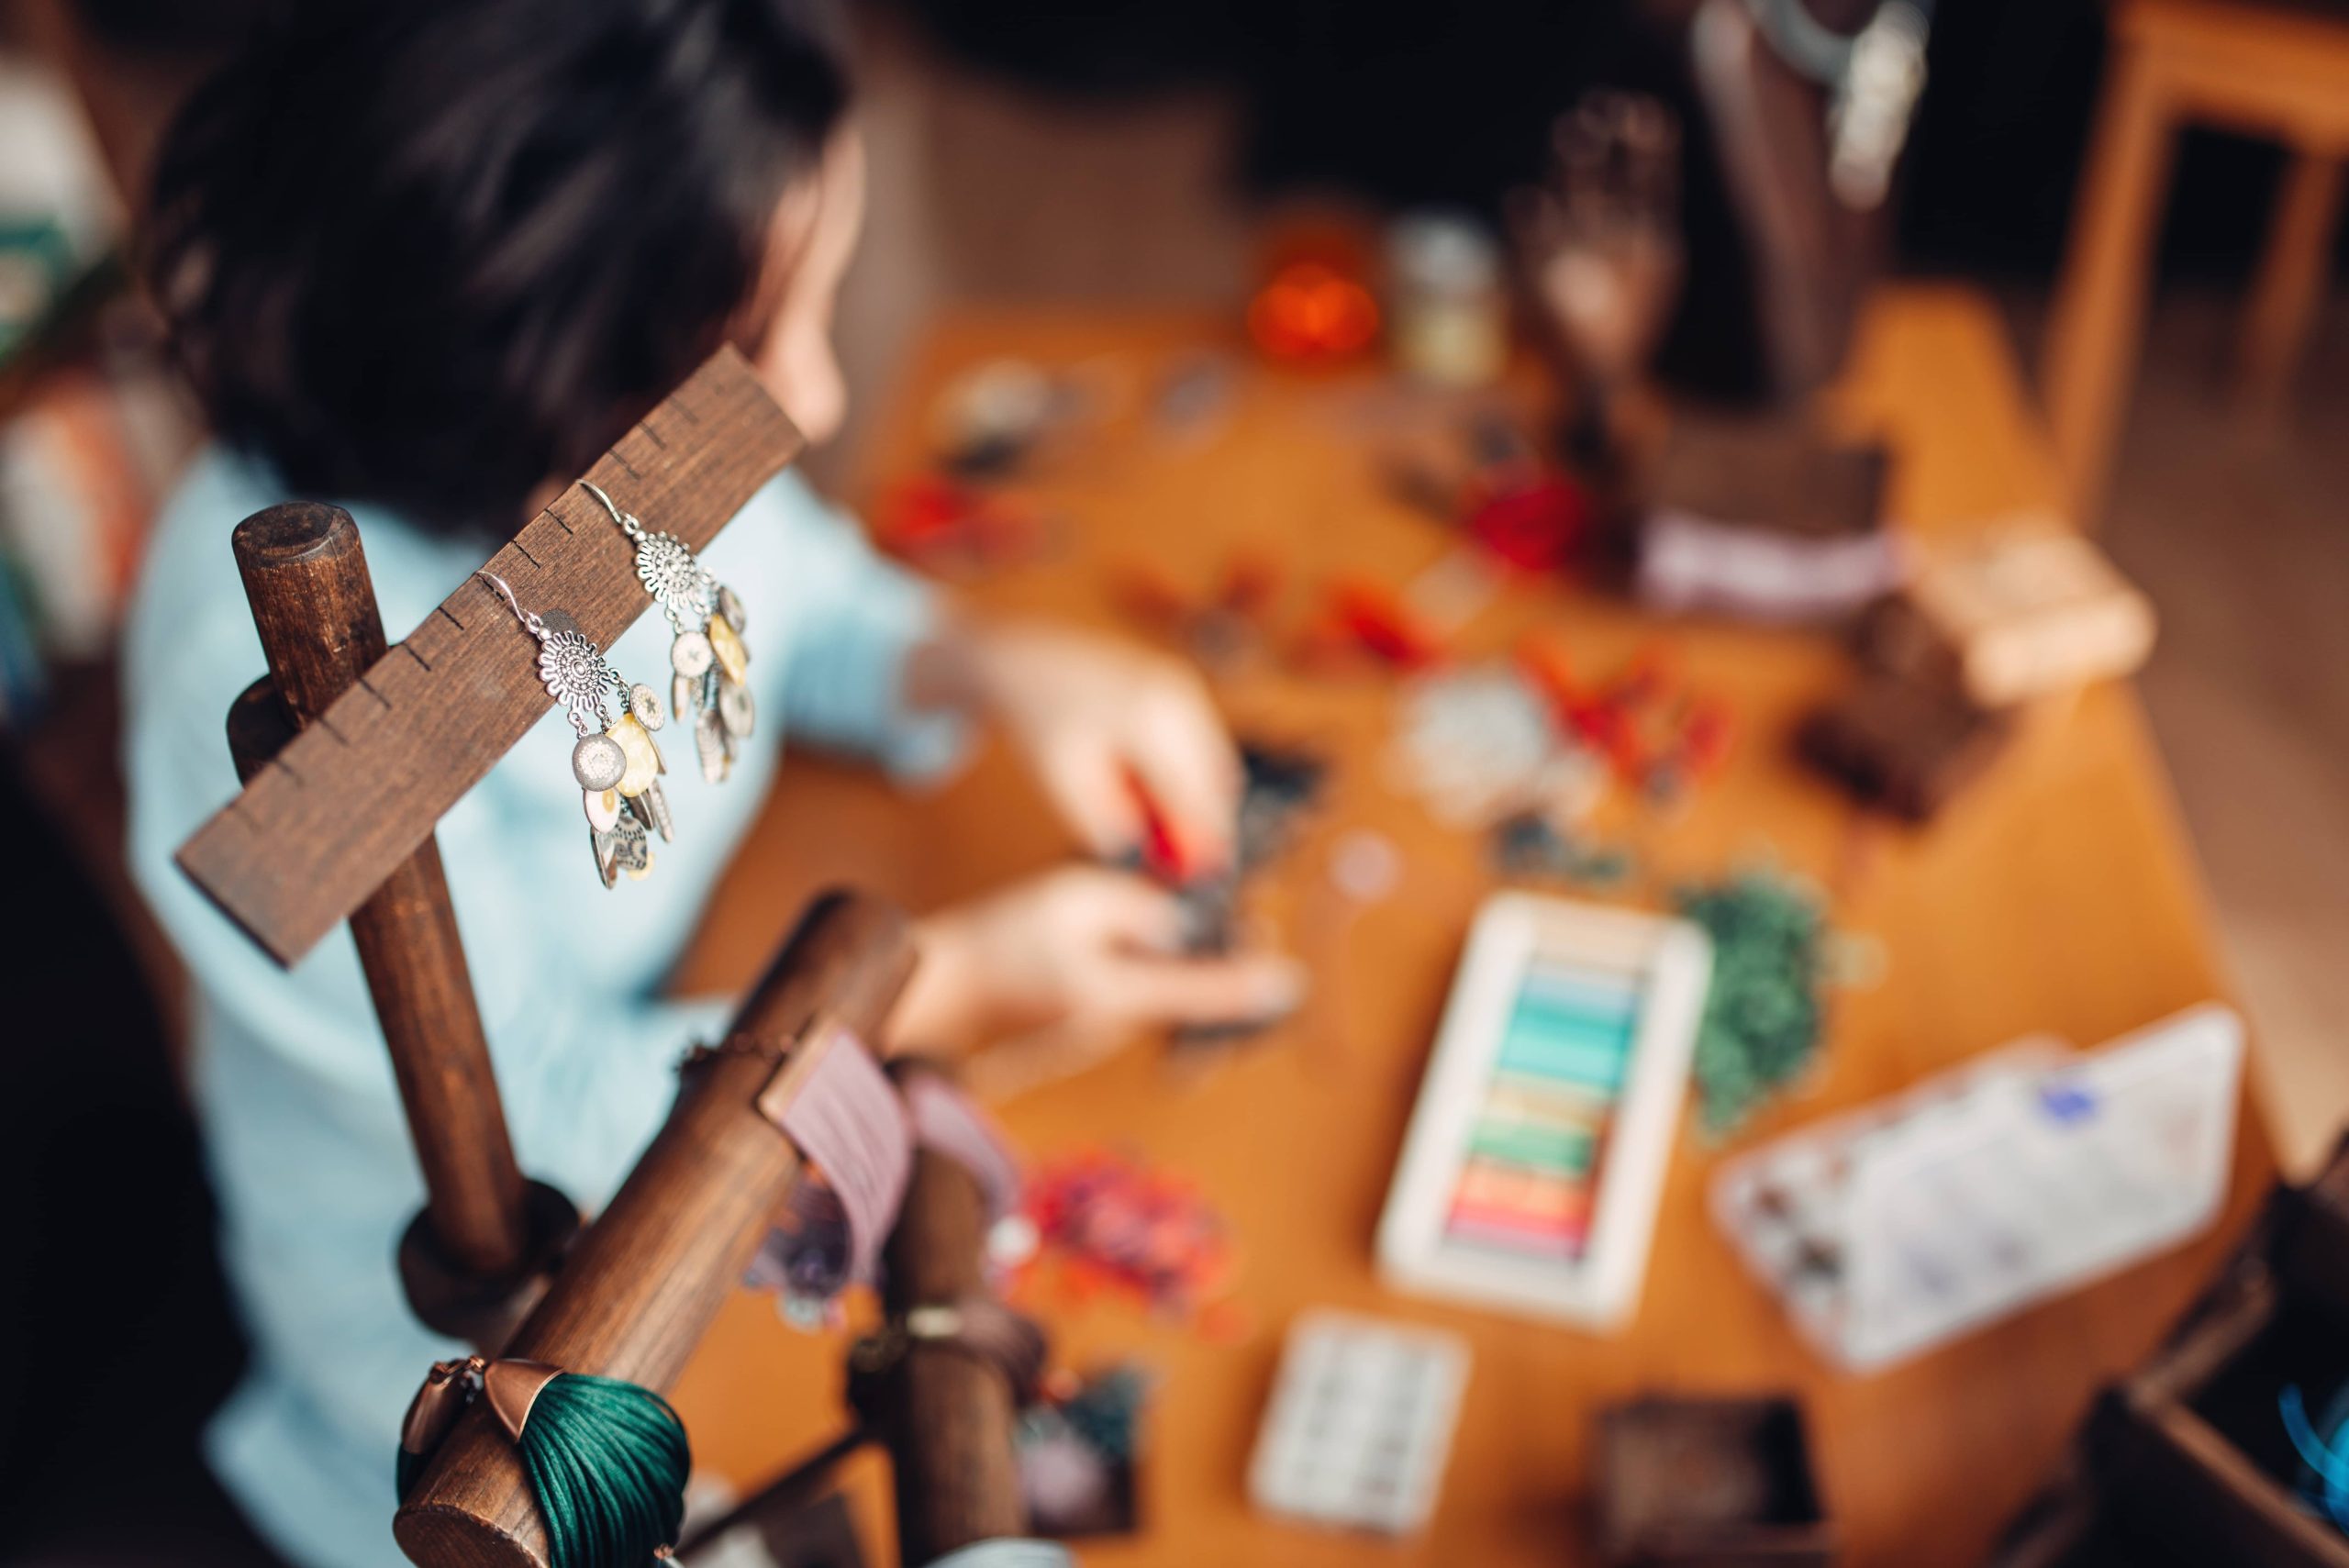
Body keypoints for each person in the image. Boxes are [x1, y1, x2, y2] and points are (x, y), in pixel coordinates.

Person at [120, 3, 1301, 1563]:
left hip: (705, 1062)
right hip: (493, 1376)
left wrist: (973, 659)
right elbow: (548, 1134)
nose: (809, 400)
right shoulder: (280, 712)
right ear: (546, 348)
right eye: (758, 345)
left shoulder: (618, 453)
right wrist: (948, 982)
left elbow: (789, 596)